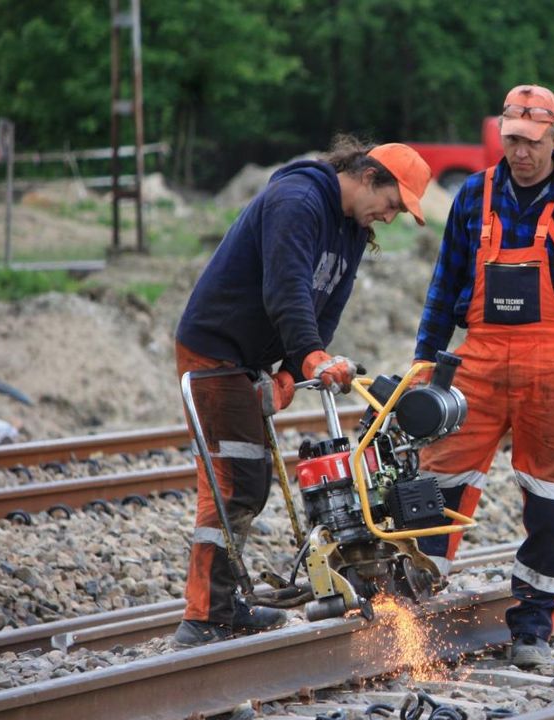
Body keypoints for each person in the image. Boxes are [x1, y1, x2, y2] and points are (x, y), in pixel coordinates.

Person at [172, 137, 432, 647]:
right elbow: (286, 289)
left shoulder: (351, 230)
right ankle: (204, 616)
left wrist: (294, 369)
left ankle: (222, 605)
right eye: (392, 204)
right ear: (369, 177)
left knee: (248, 481)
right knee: (234, 483)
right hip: (215, 352)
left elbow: (325, 310)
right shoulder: (298, 201)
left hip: (249, 359)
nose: (390, 217)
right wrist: (311, 357)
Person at [412, 84, 554, 667]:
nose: (521, 152)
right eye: (512, 139)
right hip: (479, 366)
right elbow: (443, 286)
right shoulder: (473, 194)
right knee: (438, 482)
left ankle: (533, 626)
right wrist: (424, 364)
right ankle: (410, 609)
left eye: (533, 142)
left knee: (549, 499)